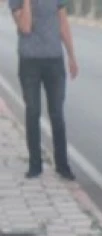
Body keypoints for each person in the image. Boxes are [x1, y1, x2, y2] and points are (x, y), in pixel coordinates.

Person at [9, 0, 79, 180]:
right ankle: (35, 165)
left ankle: (62, 165)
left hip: (54, 60)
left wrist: (71, 56)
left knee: (57, 113)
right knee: (33, 112)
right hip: (29, 62)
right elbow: (25, 26)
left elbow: (63, 23)